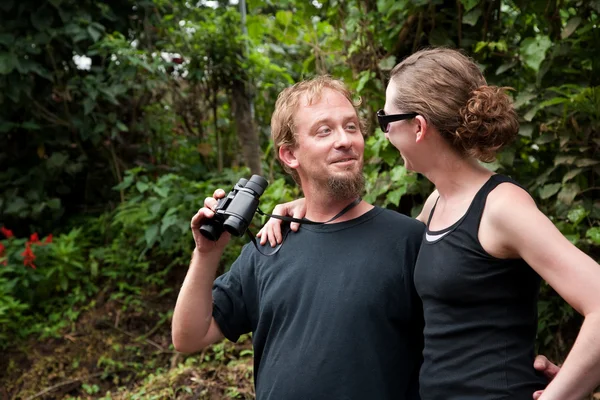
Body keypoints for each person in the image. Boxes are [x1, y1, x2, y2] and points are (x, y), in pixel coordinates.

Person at [258, 48, 600, 400]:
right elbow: (378, 240)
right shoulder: (438, 204)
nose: (384, 134)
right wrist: (310, 205)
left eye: (386, 120)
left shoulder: (501, 206)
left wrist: (564, 392)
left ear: (418, 127)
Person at [171, 76, 426, 400]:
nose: (345, 140)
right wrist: (206, 254)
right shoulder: (268, 246)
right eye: (324, 130)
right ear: (290, 154)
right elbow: (188, 338)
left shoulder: (407, 241)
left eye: (351, 127)